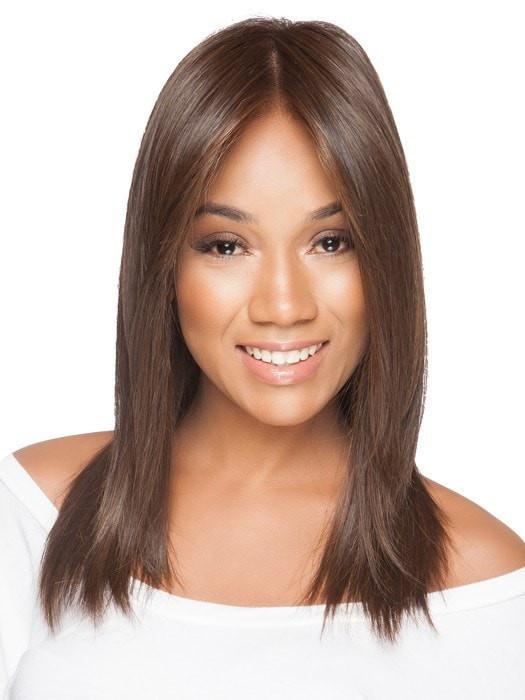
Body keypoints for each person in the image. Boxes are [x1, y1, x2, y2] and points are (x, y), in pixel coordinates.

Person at [1, 16, 524, 699]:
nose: (283, 304)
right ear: (164, 265)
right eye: (226, 246)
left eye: (330, 242)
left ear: (386, 259)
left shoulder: (489, 587)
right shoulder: (31, 516)